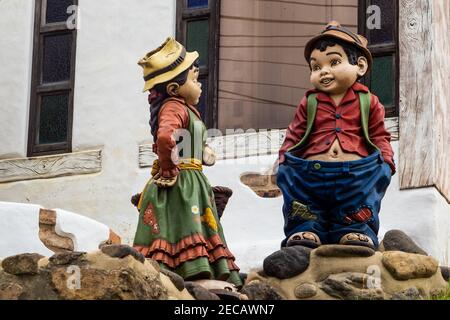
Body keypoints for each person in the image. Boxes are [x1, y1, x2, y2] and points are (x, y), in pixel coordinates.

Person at [276, 21, 395, 250]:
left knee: (357, 202)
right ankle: (306, 229)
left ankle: (354, 230)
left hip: (356, 174)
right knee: (304, 203)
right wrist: (283, 159)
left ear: (359, 66)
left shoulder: (368, 102)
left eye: (334, 62)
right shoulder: (309, 102)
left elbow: (379, 135)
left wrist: (386, 162)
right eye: (316, 67)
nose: (324, 71)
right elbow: (295, 134)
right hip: (311, 172)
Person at [133, 38, 242, 287]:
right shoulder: (174, 107)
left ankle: (198, 274)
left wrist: (203, 151)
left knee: (194, 223)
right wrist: (170, 168)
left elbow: (184, 140)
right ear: (173, 89)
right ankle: (195, 274)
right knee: (184, 224)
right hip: (181, 182)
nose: (199, 83)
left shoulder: (186, 109)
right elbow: (165, 137)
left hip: (192, 178)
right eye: (194, 79)